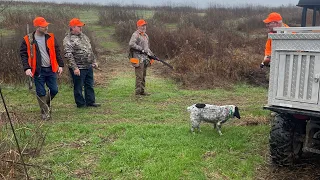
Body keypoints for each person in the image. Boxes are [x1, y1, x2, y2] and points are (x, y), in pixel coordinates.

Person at [20, 17, 64, 120]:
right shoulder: (28, 39)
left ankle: (45, 104)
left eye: (47, 25)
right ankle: (44, 112)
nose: (46, 28)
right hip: (38, 70)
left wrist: (60, 65)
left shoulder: (51, 37)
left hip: (51, 68)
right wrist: (27, 68)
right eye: (44, 26)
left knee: (54, 90)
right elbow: (23, 54)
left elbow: (57, 51)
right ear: (38, 27)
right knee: (41, 92)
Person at [63, 18, 100, 108]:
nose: (81, 28)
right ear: (73, 27)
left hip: (88, 66)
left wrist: (94, 61)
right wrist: (75, 68)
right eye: (79, 26)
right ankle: (80, 104)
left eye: (81, 26)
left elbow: (89, 50)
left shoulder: (84, 36)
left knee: (89, 85)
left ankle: (90, 102)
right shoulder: (68, 39)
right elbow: (68, 55)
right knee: (78, 86)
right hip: (78, 67)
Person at [129, 19, 154, 96]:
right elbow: (131, 44)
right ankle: (137, 93)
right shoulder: (135, 34)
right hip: (137, 58)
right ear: (138, 26)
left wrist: (152, 54)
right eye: (142, 25)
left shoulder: (146, 36)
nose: (144, 27)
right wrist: (141, 49)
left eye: (145, 25)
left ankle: (142, 91)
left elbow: (147, 48)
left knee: (143, 75)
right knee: (139, 76)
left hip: (145, 59)